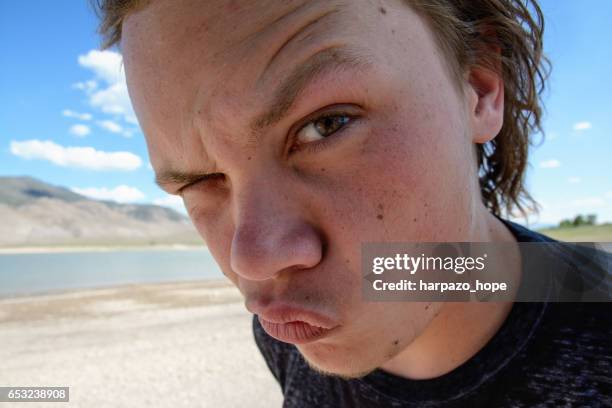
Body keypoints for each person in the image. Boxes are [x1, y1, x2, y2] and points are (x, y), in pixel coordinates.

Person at [93, 0, 611, 406]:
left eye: (327, 124)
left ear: (478, 86)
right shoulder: (288, 331)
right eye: (200, 181)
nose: (253, 259)